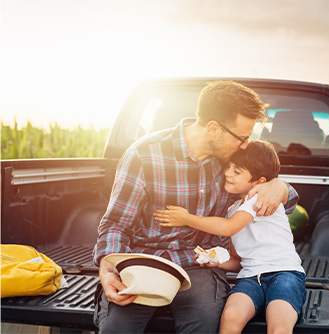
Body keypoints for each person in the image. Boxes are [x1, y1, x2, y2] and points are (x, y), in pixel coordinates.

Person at [92, 80, 299, 334]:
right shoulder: (143, 156)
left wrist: (281, 186)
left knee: (203, 325)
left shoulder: (230, 165)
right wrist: (107, 268)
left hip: (198, 265)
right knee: (116, 330)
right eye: (242, 138)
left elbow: (269, 197)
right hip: (145, 263)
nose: (245, 145)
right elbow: (116, 224)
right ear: (213, 129)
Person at [154, 140, 306, 334]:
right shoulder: (234, 210)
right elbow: (237, 261)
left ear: (259, 182)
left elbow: (227, 228)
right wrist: (216, 261)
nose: (227, 173)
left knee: (279, 325)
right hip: (251, 278)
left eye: (237, 171)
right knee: (230, 317)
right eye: (229, 167)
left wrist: (186, 219)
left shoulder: (259, 199)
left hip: (285, 274)